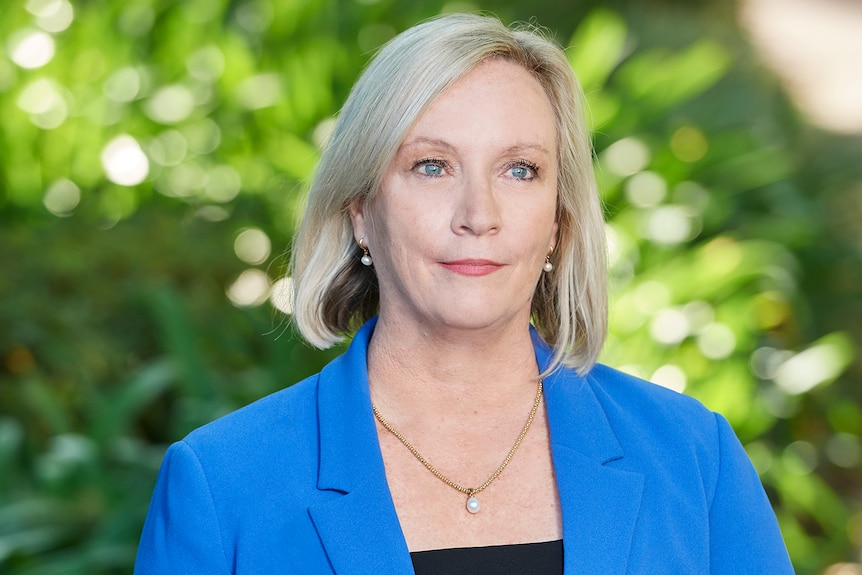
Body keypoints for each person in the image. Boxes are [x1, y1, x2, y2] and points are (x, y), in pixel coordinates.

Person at [134, 13, 794, 574]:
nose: (479, 212)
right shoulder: (221, 485)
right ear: (362, 209)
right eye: (431, 165)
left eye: (519, 169)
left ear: (558, 220)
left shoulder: (695, 459)